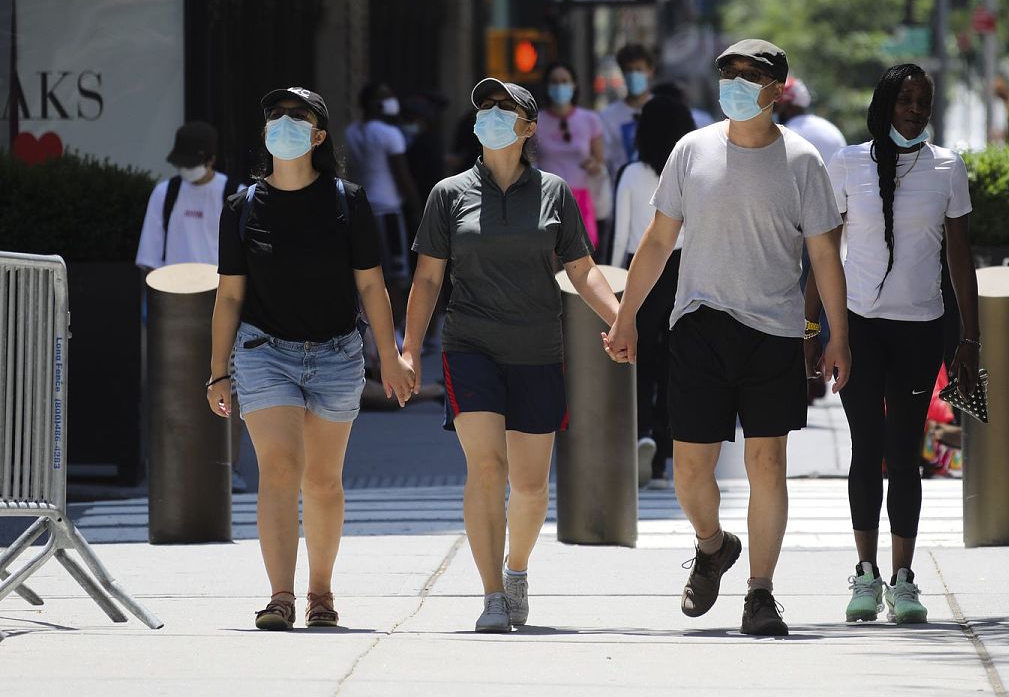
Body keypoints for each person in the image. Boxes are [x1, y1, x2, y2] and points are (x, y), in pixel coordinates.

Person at [602, 38, 850, 637]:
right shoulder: (691, 150)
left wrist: (836, 335)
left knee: (768, 465)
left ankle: (760, 593)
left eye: (750, 74)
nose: (736, 83)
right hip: (698, 326)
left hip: (775, 331)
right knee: (689, 471)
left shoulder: (802, 161)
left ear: (777, 89)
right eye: (729, 73)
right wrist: (625, 314)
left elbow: (824, 254)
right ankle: (713, 545)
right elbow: (658, 240)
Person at [402, 77, 620, 634]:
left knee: (528, 483)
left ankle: (516, 569)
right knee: (486, 470)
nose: (491, 115)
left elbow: (581, 267)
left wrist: (620, 319)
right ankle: (492, 595)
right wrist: (408, 350)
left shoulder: (554, 191)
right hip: (469, 345)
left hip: (537, 348)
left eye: (504, 109)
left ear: (527, 128)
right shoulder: (448, 194)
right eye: (484, 108)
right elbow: (427, 279)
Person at [208, 86, 417, 631]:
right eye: (274, 116)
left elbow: (372, 286)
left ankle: (319, 591)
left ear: (318, 135)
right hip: (262, 352)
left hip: (336, 353)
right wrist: (217, 372)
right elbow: (229, 295)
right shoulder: (243, 206)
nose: (283, 124)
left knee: (323, 480)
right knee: (279, 470)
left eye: (297, 118)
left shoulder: (347, 200)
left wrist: (390, 358)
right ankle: (279, 596)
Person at [806, 63, 979, 626]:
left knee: (906, 453)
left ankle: (903, 578)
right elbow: (825, 254)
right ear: (886, 104)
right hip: (857, 328)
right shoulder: (848, 164)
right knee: (866, 448)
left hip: (920, 329)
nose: (915, 109)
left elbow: (959, 261)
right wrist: (814, 330)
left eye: (923, 100)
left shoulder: (948, 168)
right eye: (905, 99)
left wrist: (969, 337)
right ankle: (865, 572)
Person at [609, 95, 695, 487]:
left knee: (637, 360)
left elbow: (620, 236)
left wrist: (614, 292)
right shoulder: (693, 172)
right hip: (684, 270)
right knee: (678, 364)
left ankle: (641, 433)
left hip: (638, 272)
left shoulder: (630, 174)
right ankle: (667, 448)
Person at [135, 121, 241, 273]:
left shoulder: (234, 194)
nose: (185, 169)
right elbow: (149, 257)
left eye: (191, 164)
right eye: (181, 164)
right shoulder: (164, 193)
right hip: (172, 290)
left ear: (211, 160)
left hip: (218, 290)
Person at [345, 82, 419, 291]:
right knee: (395, 276)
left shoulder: (351, 132)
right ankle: (392, 323)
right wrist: (417, 207)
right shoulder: (389, 134)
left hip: (360, 209)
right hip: (388, 211)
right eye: (384, 96)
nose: (390, 100)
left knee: (368, 273)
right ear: (372, 103)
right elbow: (402, 175)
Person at [532, 61, 606, 247]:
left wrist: (593, 165)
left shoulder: (590, 120)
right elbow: (529, 161)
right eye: (554, 82)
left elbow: (600, 162)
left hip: (580, 200)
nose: (560, 86)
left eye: (564, 81)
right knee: (549, 260)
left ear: (574, 85)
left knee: (581, 262)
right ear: (547, 87)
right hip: (545, 200)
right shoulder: (535, 122)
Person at [599, 42, 657, 178]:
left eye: (639, 69)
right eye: (629, 70)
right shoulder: (607, 116)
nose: (633, 75)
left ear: (650, 71)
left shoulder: (663, 111)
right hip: (620, 190)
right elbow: (604, 161)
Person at [776, 76, 845, 166]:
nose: (772, 111)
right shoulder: (829, 127)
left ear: (788, 106)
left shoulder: (788, 133)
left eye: (775, 106)